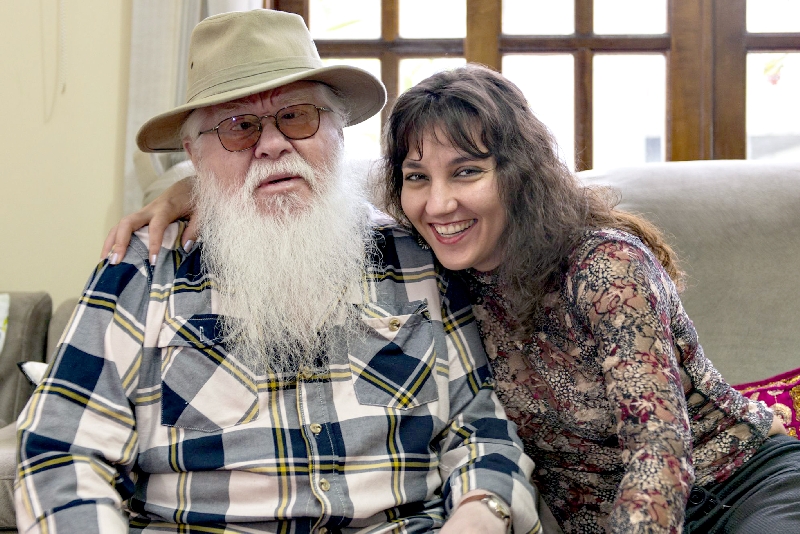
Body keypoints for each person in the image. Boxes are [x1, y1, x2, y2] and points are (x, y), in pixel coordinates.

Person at [106, 63, 800, 533]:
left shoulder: (604, 268)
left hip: (736, 489)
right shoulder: (430, 262)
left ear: (518, 173)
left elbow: (659, 448)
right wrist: (202, 186)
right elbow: (313, 184)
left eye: (467, 172)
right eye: (418, 178)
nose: (439, 203)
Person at [15, 12, 546, 534]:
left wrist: (480, 514)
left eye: (297, 117)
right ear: (195, 155)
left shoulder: (415, 252)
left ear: (339, 131)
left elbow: (479, 428)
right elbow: (60, 452)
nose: (272, 145)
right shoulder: (142, 267)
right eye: (239, 127)